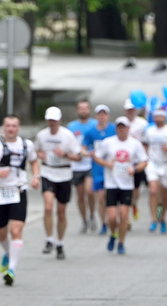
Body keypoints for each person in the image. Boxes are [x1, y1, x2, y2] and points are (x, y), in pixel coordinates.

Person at [0, 114, 40, 284]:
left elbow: (34, 161)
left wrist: (36, 177)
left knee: (16, 231)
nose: (11, 129)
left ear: (18, 128)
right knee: (2, 234)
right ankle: (8, 252)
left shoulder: (26, 144)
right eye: (8, 126)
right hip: (0, 192)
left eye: (14, 126)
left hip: (19, 190)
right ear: (3, 127)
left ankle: (11, 269)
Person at [94, 116, 148, 255]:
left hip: (126, 185)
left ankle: (121, 242)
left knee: (124, 215)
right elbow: (97, 156)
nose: (121, 130)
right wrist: (107, 164)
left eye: (124, 127)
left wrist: (134, 169)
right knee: (112, 217)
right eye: (119, 127)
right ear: (116, 128)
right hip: (111, 183)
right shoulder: (108, 142)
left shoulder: (135, 144)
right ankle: (113, 234)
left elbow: (144, 161)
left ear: (128, 129)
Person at [35, 106, 83, 257]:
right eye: (49, 120)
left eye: (54, 121)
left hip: (64, 173)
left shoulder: (67, 136)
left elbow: (79, 156)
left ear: (59, 121)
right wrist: (40, 155)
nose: (52, 123)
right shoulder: (42, 135)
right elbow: (35, 151)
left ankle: (60, 243)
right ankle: (49, 239)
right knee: (48, 206)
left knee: (61, 212)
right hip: (48, 172)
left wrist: (65, 155)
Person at [142, 108, 167, 233]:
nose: (158, 119)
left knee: (165, 195)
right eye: (156, 117)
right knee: (153, 191)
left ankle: (161, 217)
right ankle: (153, 219)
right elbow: (145, 144)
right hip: (152, 163)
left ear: (165, 118)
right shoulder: (149, 131)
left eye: (160, 117)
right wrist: (145, 157)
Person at [67, 100, 98, 233]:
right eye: (81, 108)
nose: (83, 111)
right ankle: (84, 219)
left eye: (86, 108)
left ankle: (92, 214)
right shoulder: (71, 126)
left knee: (89, 191)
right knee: (80, 196)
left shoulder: (94, 125)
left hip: (90, 164)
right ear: (77, 110)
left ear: (89, 110)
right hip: (77, 165)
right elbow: (67, 145)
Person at [83, 105, 115, 235]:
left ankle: (116, 218)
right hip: (97, 169)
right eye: (99, 114)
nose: (102, 117)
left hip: (113, 169)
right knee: (100, 198)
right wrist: (88, 153)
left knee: (112, 197)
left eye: (104, 114)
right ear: (96, 116)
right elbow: (83, 148)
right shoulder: (91, 132)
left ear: (108, 116)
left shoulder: (114, 129)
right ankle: (104, 222)